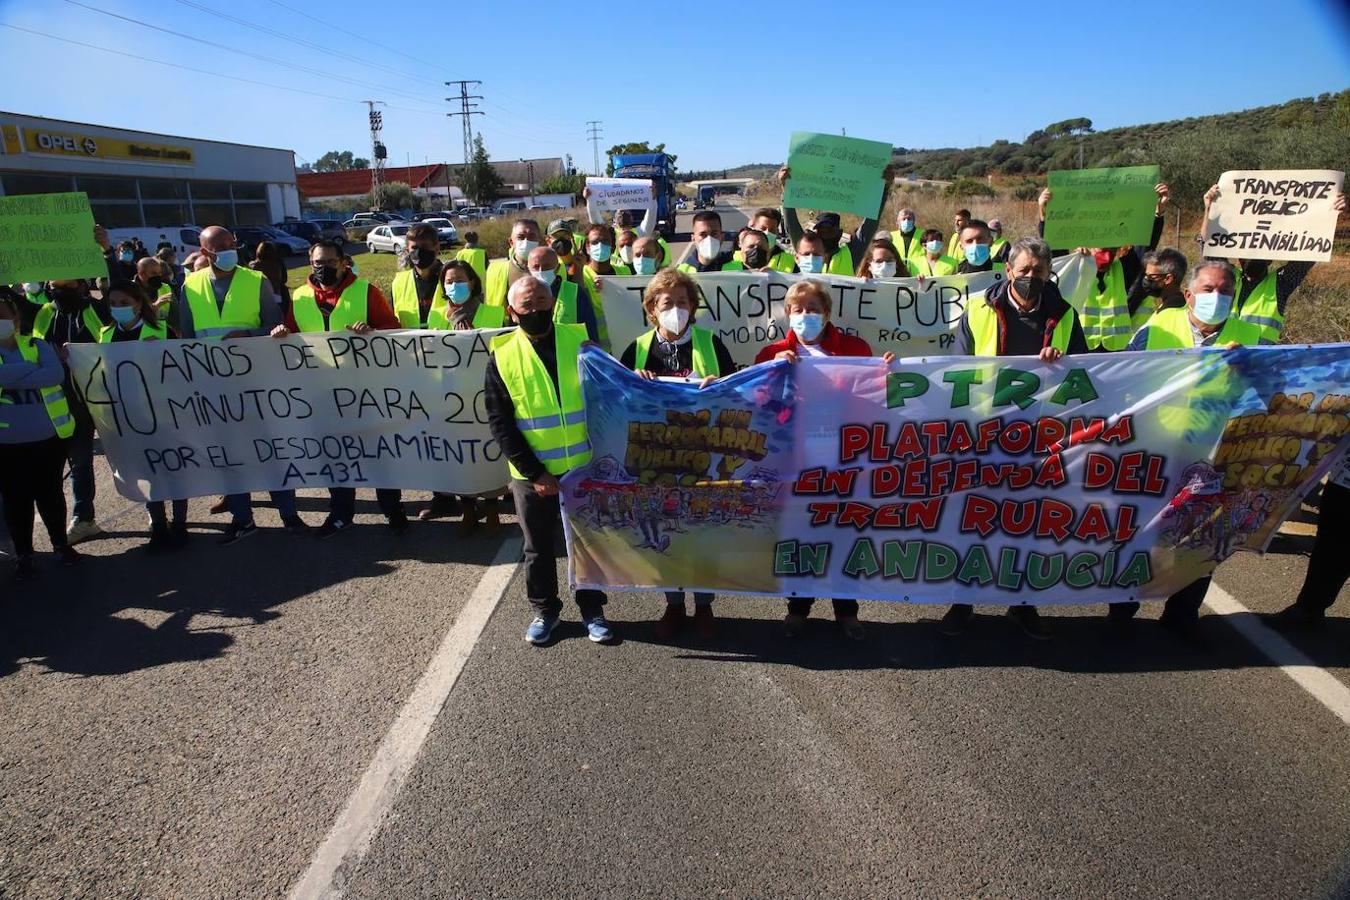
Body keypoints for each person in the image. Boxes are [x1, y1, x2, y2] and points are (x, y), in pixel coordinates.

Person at [943, 236, 1088, 641]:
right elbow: (956, 370)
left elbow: (1083, 378)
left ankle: (1023, 604)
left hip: (1040, 437)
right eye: (1023, 270)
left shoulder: (1065, 315)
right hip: (983, 434)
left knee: (1028, 523)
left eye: (1038, 272)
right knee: (974, 519)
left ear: (1049, 275)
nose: (1030, 278)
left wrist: (1061, 369)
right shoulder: (978, 309)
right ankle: (962, 601)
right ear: (1008, 270)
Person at [1111, 260, 1261, 642]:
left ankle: (1182, 614)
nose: (1217, 297)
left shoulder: (1252, 339)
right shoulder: (1158, 328)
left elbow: (1270, 397)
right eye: (1209, 290)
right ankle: (1122, 608)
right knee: (1139, 532)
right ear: (1190, 294)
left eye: (1226, 291)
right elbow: (1123, 378)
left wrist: (1250, 368)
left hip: (1213, 458)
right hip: (1153, 453)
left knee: (1199, 537)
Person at [754, 278, 893, 639]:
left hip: (846, 464)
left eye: (813, 309)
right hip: (796, 467)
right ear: (787, 314)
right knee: (801, 538)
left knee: (844, 537)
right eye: (798, 310)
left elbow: (875, 397)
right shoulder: (771, 355)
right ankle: (798, 608)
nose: (806, 316)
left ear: (827, 314)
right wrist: (775, 374)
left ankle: (847, 610)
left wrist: (889, 372)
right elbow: (759, 408)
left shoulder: (854, 348)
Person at [484, 276, 615, 645]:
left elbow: (610, 391)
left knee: (587, 545)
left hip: (583, 469)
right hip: (532, 477)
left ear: (553, 303)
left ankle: (593, 610)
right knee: (538, 547)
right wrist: (535, 472)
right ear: (513, 311)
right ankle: (545, 612)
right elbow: (501, 424)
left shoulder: (581, 343)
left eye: (542, 302)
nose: (536, 310)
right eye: (527, 305)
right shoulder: (503, 356)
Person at [617, 268, 736, 640]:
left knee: (701, 534)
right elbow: (616, 402)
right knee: (664, 532)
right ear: (652, 308)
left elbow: (738, 396)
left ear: (693, 306)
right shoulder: (635, 349)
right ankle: (672, 604)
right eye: (667, 302)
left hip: (703, 458)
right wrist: (633, 383)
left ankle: (704, 606)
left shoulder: (711, 343)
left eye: (682, 302)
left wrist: (720, 386)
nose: (675, 309)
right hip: (655, 461)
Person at [274, 239, 408, 537]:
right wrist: (282, 332)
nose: (322, 268)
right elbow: (292, 336)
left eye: (328, 262)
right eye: (317, 263)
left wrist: (372, 332)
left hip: (364, 391)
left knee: (378, 453)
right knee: (335, 455)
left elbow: (393, 329)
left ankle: (392, 509)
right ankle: (341, 513)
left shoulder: (366, 291)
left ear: (343, 262)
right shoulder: (300, 296)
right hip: (321, 393)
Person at [183, 225, 299, 544]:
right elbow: (184, 338)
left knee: (271, 449)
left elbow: (275, 327)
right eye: (219, 246)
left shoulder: (255, 280)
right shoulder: (190, 286)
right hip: (213, 387)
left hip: (255, 382)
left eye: (230, 244)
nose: (228, 250)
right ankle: (242, 518)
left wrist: (247, 335)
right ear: (204, 252)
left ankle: (288, 513)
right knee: (228, 455)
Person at [99, 281, 189, 551]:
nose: (118, 309)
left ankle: (180, 524)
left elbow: (182, 371)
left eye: (124, 303)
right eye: (113, 304)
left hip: (163, 414)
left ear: (139, 303)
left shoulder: (161, 331)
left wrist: (158, 354)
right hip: (129, 416)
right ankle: (158, 526)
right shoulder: (105, 334)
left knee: (172, 469)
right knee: (148, 471)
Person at [0, 289, 80, 579]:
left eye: (2, 314)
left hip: (48, 438)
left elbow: (54, 375)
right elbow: (37, 373)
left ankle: (60, 544)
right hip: (7, 444)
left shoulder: (36, 344)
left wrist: (15, 375)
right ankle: (24, 553)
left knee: (50, 495)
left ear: (16, 317)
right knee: (15, 500)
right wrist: (30, 369)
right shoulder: (36, 355)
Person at [1202, 185, 1346, 344]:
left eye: (1259, 251)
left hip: (1261, 364)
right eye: (1247, 253)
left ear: (1270, 258)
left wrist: (1329, 217)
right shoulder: (1227, 278)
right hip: (1224, 360)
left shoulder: (1280, 284)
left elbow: (1307, 255)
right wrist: (1209, 209)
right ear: (1239, 258)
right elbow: (1209, 247)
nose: (1252, 256)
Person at [1039, 183, 1169, 351]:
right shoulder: (1075, 268)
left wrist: (1158, 212)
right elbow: (1054, 248)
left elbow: (1145, 246)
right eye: (1100, 248)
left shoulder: (1123, 270)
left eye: (1111, 249)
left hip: (1116, 354)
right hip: (1079, 350)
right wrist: (1044, 214)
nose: (1105, 256)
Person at [29, 276, 108, 546]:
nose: (61, 290)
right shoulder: (44, 312)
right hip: (60, 403)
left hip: (99, 398)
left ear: (82, 285)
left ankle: (155, 512)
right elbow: (34, 347)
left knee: (127, 456)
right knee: (78, 463)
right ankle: (83, 518)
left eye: (69, 285)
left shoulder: (95, 309)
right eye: (55, 286)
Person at [1265, 455, 1350, 629]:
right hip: (1344, 476)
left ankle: (1310, 608)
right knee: (1331, 543)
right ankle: (1310, 609)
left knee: (1332, 541)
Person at [778, 166, 885, 276]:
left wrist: (884, 188)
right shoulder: (806, 252)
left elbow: (870, 224)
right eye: (821, 232)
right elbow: (791, 225)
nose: (825, 236)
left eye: (829, 231)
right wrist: (786, 189)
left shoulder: (851, 254)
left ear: (839, 234)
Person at [579, 223, 629, 351]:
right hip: (599, 351)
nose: (600, 245)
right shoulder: (582, 275)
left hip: (627, 346)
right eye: (595, 242)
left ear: (612, 247)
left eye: (606, 241)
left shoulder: (625, 271)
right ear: (587, 247)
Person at [391, 223, 446, 328]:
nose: (419, 252)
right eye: (414, 248)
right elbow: (393, 322)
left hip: (448, 343)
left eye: (425, 246)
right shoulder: (399, 283)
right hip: (412, 343)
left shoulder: (453, 279)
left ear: (437, 248)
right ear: (407, 250)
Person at [484, 219, 543, 311]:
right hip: (510, 325)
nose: (526, 241)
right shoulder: (495, 270)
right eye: (520, 237)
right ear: (511, 242)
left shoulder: (554, 269)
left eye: (531, 236)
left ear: (540, 241)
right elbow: (491, 304)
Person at [1134, 247, 1188, 325]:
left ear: (1168, 278)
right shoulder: (1178, 306)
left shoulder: (1170, 314)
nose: (1146, 279)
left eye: (1151, 277)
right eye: (1146, 275)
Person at [734, 208, 795, 272]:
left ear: (777, 232)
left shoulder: (788, 261)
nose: (767, 233)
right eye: (762, 228)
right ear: (752, 228)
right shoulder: (731, 259)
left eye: (772, 230)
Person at [250, 240, 291, 320]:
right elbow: (284, 279)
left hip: (261, 297)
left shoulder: (256, 266)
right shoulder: (278, 263)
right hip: (278, 295)